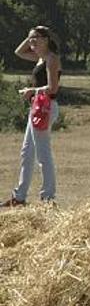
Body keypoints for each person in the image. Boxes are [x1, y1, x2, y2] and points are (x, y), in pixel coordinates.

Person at [2, 26, 62, 207]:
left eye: (36, 38)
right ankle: (19, 197)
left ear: (46, 39)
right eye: (30, 39)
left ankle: (48, 198)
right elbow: (18, 52)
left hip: (46, 106)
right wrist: (30, 37)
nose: (31, 43)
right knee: (27, 153)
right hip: (37, 106)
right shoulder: (39, 58)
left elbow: (53, 88)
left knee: (43, 155)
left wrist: (32, 90)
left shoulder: (52, 59)